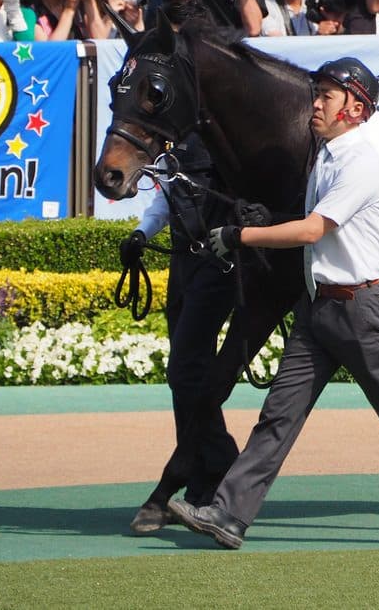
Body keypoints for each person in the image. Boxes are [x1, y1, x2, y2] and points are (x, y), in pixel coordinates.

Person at [169, 58, 379, 551]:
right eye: (317, 93)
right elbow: (312, 222)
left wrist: (239, 234)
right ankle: (229, 514)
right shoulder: (329, 154)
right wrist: (266, 217)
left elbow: (315, 229)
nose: (315, 103)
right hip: (321, 309)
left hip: (359, 309)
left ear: (356, 107)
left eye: (327, 96)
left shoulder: (359, 159)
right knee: (278, 414)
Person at [120, 133, 243, 533]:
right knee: (185, 378)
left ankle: (208, 466)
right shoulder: (175, 144)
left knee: (185, 370)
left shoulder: (219, 137)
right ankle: (207, 478)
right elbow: (166, 199)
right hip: (183, 265)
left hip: (220, 264)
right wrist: (142, 233)